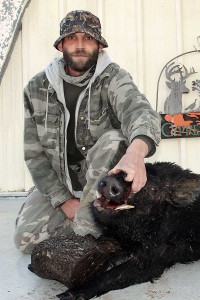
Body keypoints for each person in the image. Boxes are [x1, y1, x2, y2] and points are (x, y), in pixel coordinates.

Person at [14, 10, 161, 254]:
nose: (80, 45)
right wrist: (63, 201)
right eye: (72, 38)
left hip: (102, 179)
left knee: (114, 140)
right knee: (25, 242)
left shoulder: (113, 78)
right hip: (62, 181)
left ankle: (87, 234)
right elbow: (34, 154)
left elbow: (140, 112)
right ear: (61, 44)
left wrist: (137, 151)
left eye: (88, 39)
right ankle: (97, 224)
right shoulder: (36, 88)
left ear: (99, 46)